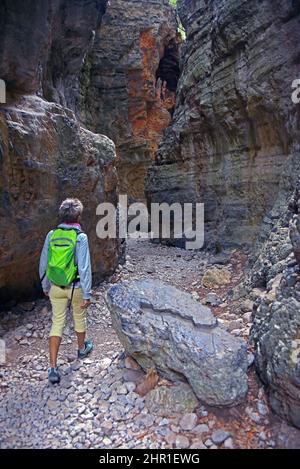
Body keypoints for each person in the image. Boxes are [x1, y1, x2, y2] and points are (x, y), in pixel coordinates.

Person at [39, 198, 93, 384]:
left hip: (56, 287)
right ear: (78, 216)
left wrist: (45, 286)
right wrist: (87, 294)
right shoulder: (81, 237)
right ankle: (81, 348)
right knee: (79, 317)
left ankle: (53, 367)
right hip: (75, 287)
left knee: (57, 322)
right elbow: (84, 268)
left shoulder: (51, 234)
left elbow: (44, 264)